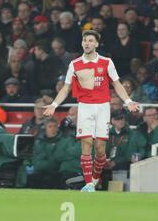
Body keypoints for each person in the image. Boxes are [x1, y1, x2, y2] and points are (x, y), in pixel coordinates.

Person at [43, 30, 139, 192]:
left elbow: (117, 84)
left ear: (96, 44)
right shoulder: (75, 64)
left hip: (102, 107)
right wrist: (54, 104)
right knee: (86, 144)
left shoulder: (106, 62)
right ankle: (89, 184)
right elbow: (66, 88)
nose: (86, 43)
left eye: (90, 40)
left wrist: (128, 101)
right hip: (85, 107)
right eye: (84, 40)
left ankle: (94, 179)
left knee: (100, 149)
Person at [27, 117, 81, 189]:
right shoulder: (39, 142)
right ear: (45, 128)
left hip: (57, 172)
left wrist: (51, 161)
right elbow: (37, 162)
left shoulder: (64, 140)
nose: (53, 129)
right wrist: (52, 162)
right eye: (50, 126)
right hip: (42, 172)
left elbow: (61, 157)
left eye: (55, 126)